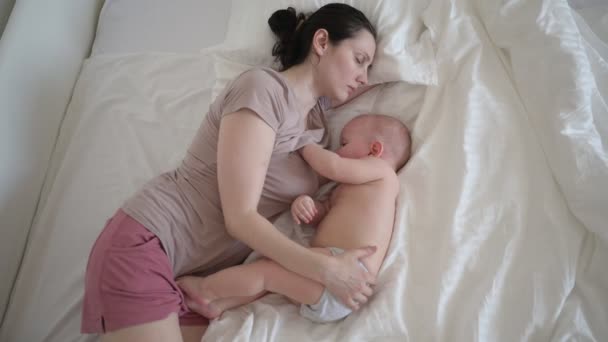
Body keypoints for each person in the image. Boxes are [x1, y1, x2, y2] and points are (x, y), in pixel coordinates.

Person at [81, 3, 379, 342]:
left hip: (192, 278)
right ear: (322, 42)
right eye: (359, 60)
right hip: (148, 243)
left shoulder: (314, 126)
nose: (364, 77)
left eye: (369, 66)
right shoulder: (262, 90)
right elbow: (240, 218)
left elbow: (384, 83)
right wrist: (328, 270)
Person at [177, 114, 412, 323]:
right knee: (273, 279)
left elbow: (333, 165)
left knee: (266, 273)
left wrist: (304, 142)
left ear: (375, 150)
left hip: (347, 273)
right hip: (332, 272)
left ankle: (206, 290)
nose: (337, 151)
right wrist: (309, 206)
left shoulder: (382, 172)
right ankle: (220, 305)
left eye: (344, 143)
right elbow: (325, 213)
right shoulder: (352, 189)